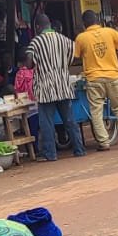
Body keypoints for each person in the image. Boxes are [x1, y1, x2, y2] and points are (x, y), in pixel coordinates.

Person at [73, 10, 118, 150]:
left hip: (94, 79)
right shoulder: (110, 32)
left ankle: (104, 142)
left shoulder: (81, 38)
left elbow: (76, 56)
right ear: (97, 21)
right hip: (113, 76)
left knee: (96, 111)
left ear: (84, 24)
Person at [24, 14, 84, 161]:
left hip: (45, 88)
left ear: (37, 27)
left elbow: (29, 64)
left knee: (47, 123)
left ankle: (50, 154)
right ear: (49, 24)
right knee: (70, 120)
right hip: (63, 84)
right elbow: (75, 55)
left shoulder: (35, 42)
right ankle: (79, 149)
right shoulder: (64, 40)